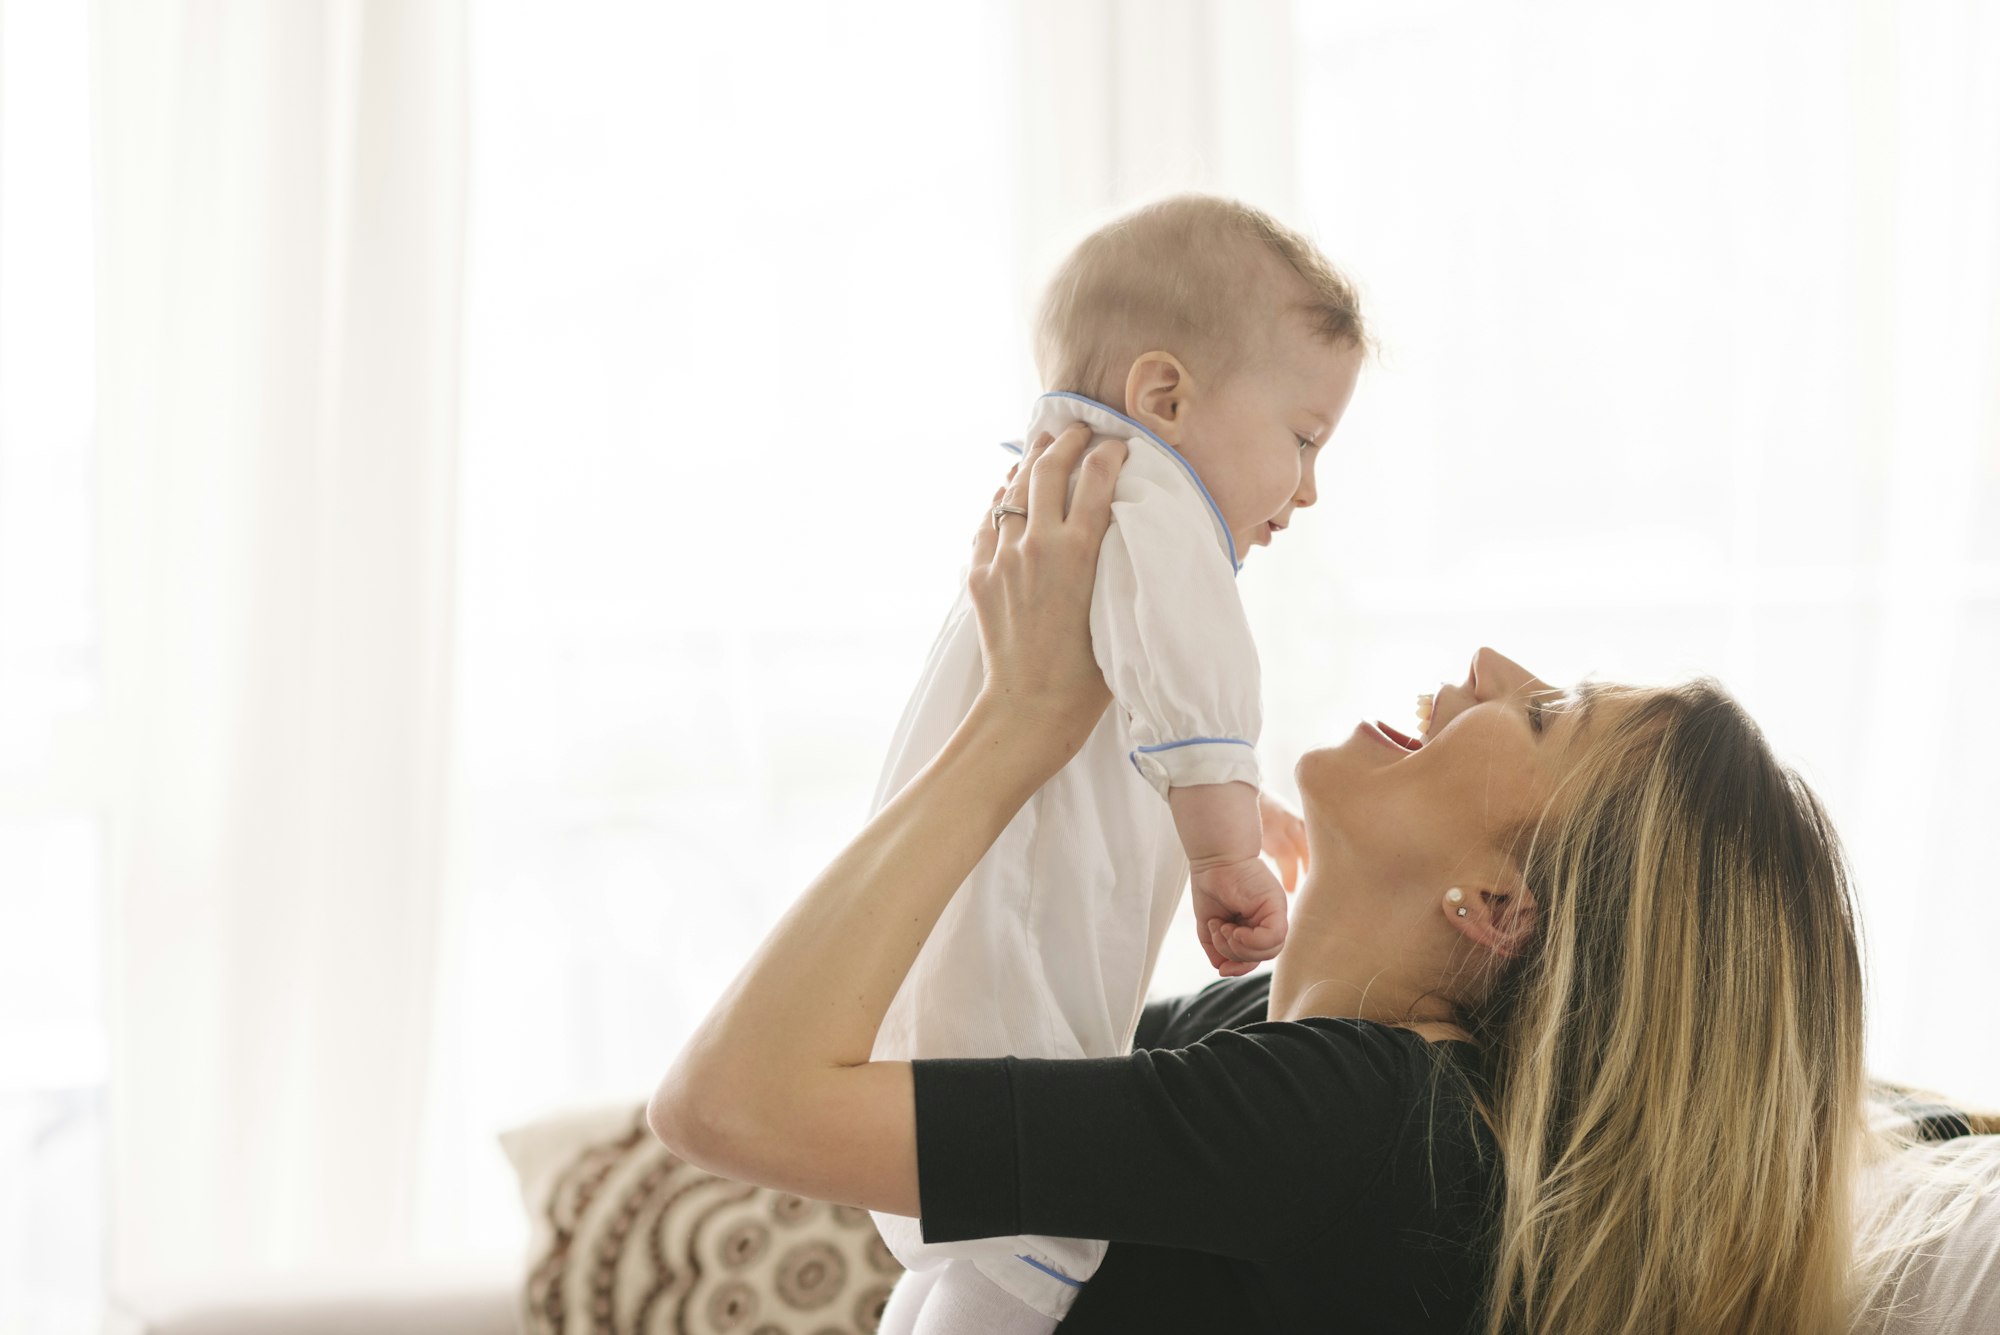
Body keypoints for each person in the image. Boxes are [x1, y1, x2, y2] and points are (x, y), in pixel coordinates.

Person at [650, 426, 1921, 1332]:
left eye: (1540, 715)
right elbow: (904, 1044)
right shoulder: (1273, 1046)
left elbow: (733, 1103)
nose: (1482, 663)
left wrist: (1016, 723)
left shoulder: (1362, 1126)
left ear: (1496, 907)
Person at [860, 194, 1365, 1331]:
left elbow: (1135, 708)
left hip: (945, 933)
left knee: (963, 1258)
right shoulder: (1148, 495)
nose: (1309, 488)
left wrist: (1249, 805)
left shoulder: (1059, 490)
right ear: (1163, 395)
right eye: (1303, 437)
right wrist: (1225, 853)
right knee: (1013, 1240)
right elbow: (1192, 668)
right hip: (1009, 962)